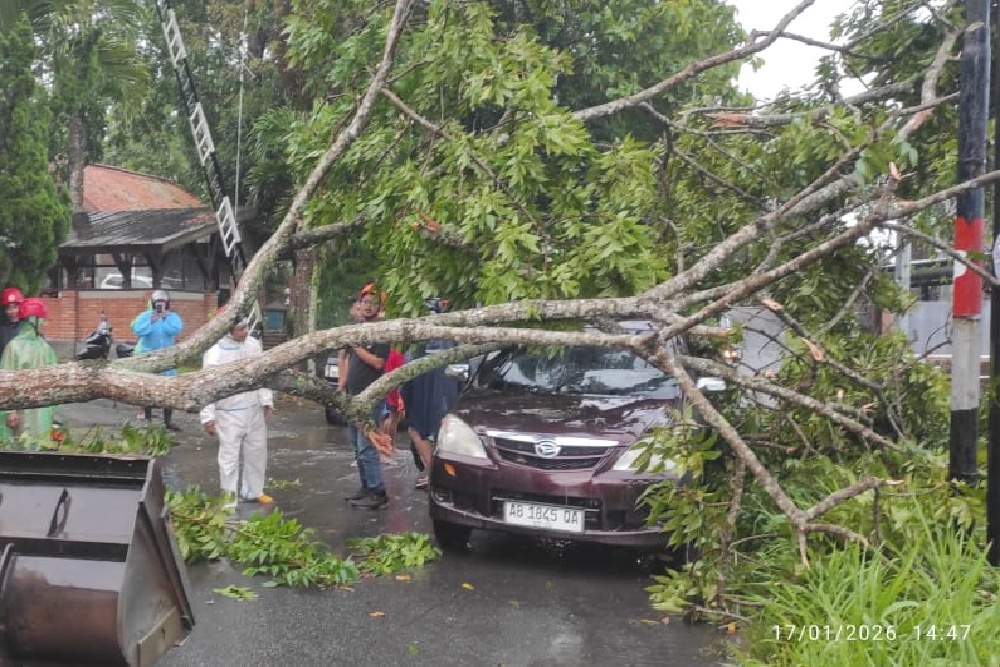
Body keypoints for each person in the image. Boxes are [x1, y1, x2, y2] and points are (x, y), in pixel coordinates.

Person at [200, 315, 275, 508]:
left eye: (246, 327)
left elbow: (262, 373)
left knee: (257, 452)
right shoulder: (216, 351)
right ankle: (229, 499)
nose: (245, 332)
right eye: (241, 329)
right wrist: (208, 417)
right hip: (229, 411)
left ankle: (254, 491)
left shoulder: (253, 345)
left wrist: (266, 400)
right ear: (229, 330)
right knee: (229, 457)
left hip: (253, 409)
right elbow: (207, 384)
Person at [400, 299, 461, 489]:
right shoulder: (450, 325)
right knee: (440, 428)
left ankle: (435, 475)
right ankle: (439, 474)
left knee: (420, 429)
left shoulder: (416, 319)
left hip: (426, 378)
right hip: (441, 378)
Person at [342, 285, 391, 509]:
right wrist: (342, 384)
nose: (368, 306)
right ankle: (366, 487)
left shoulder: (382, 331)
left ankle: (378, 491)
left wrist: (358, 347)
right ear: (359, 304)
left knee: (367, 445)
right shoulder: (356, 328)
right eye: (365, 302)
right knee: (356, 444)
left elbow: (379, 363)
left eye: (373, 303)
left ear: (379, 307)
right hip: (353, 395)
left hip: (371, 396)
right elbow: (345, 357)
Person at [0, 298, 59, 448]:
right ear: (33, 320)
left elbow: (54, 380)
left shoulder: (45, 347)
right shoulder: (13, 347)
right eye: (42, 319)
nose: (44, 323)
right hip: (21, 410)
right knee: (21, 445)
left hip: (42, 410)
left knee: (41, 444)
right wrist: (10, 411)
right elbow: (6, 381)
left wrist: (53, 409)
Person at [131, 289, 183, 430]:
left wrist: (165, 318)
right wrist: (151, 321)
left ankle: (168, 421)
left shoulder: (173, 317)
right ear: (153, 303)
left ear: (167, 303)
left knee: (168, 389)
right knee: (149, 388)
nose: (160, 305)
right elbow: (138, 330)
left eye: (163, 302)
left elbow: (175, 330)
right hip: (149, 356)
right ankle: (148, 419)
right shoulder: (145, 316)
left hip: (166, 357)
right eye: (158, 302)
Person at [0, 287, 23, 359]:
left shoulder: (27, 328)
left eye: (15, 307)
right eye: (8, 308)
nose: (12, 311)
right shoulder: (2, 329)